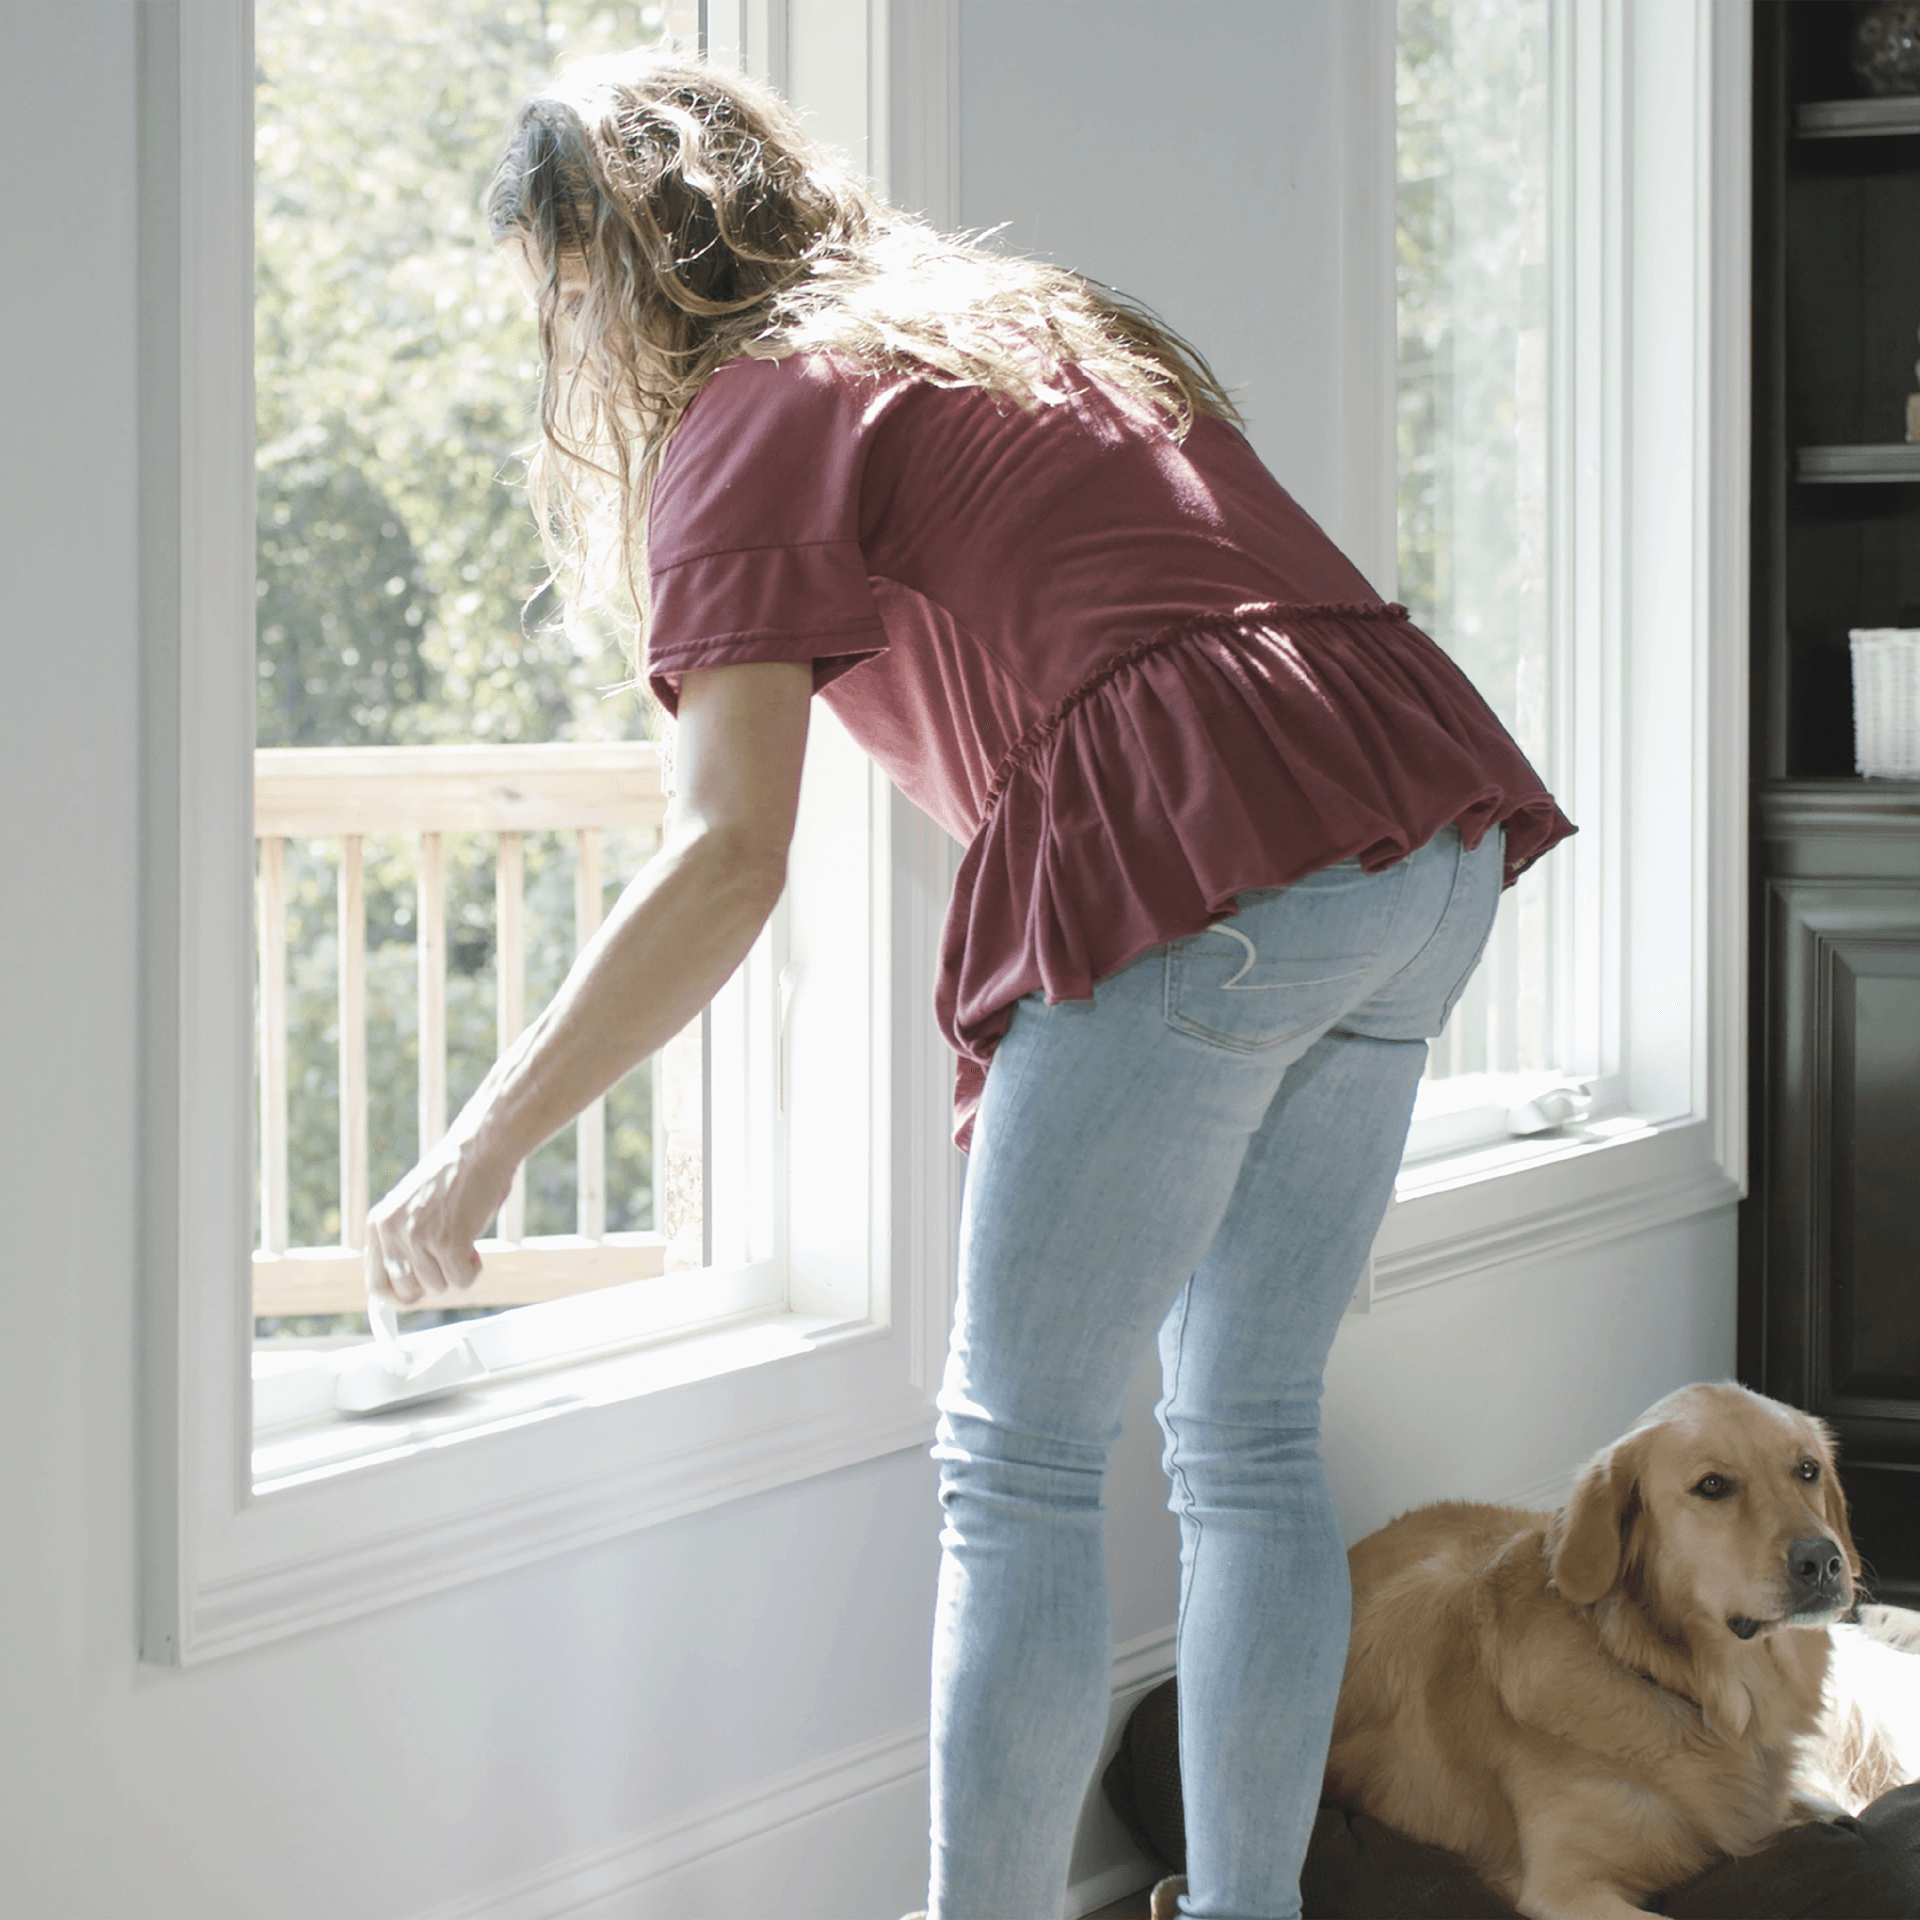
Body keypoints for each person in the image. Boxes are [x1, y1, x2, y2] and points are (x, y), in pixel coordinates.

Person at [364, 48, 1573, 1920]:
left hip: (1227, 860)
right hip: (1417, 832)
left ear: (616, 273)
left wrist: (478, 1146)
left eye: (557, 302)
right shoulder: (1023, 324)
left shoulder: (757, 408)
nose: (563, 355)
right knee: (1247, 1432)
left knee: (1015, 1473)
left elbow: (725, 854)